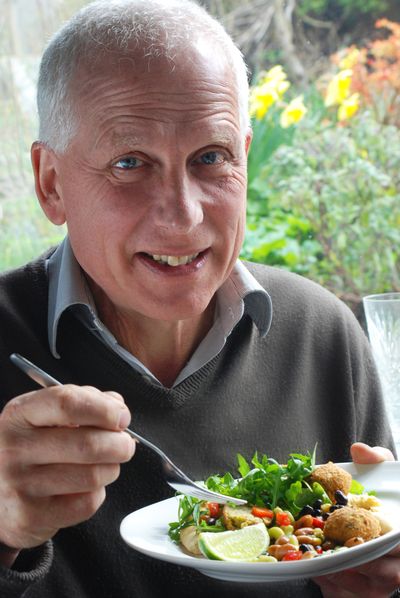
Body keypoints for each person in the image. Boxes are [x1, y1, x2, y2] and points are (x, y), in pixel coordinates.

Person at [0, 0, 398, 596]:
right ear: (51, 184)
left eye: (211, 158)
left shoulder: (321, 331)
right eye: (129, 163)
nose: (184, 217)